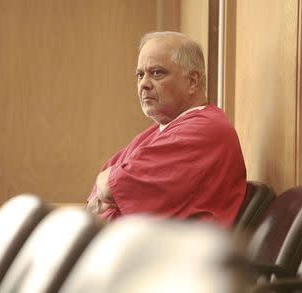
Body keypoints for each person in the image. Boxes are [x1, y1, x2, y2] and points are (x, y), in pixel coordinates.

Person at [86, 31, 246, 227]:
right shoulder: (159, 129)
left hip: (174, 254)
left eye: (156, 73)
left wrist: (108, 187)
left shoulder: (204, 129)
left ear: (192, 81)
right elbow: (98, 189)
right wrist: (107, 185)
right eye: (139, 75)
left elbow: (113, 185)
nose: (143, 84)